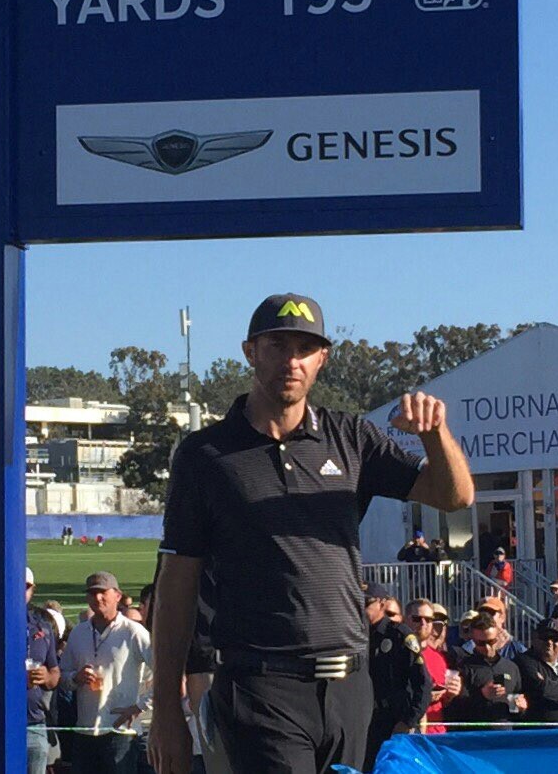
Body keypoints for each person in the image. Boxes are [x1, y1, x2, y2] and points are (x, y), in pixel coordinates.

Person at [148, 293, 473, 774]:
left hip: (350, 687)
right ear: (250, 352)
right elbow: (176, 583)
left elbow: (456, 495)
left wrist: (434, 432)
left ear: (322, 358)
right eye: (277, 346)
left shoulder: (351, 438)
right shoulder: (206, 455)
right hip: (261, 686)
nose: (291, 361)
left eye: (305, 349)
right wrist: (166, 711)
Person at [59, 571, 153, 773]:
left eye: (103, 592)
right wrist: (76, 678)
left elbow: (164, 674)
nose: (98, 597)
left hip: (120, 731)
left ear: (117, 596)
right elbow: (63, 675)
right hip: (85, 730)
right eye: (92, 593)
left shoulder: (133, 632)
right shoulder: (78, 632)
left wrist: (139, 707)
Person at [365, 584, 432, 769]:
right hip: (366, 721)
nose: (361, 609)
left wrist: (408, 721)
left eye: (367, 603)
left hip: (394, 722)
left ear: (381, 604)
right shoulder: (356, 636)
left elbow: (423, 683)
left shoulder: (399, 635)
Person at [455, 613, 527, 726]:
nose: (487, 648)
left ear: (498, 637)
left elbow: (516, 709)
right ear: (473, 640)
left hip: (505, 732)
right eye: (481, 643)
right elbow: (456, 708)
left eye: (491, 641)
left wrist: (520, 707)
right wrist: (482, 695)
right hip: (476, 733)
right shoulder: (464, 667)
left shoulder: (511, 667)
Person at [405, 599, 460, 734]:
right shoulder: (398, 654)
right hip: (407, 731)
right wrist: (425, 697)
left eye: (429, 620)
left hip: (436, 732)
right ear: (406, 620)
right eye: (417, 619)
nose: (423, 623)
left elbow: (443, 702)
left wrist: (451, 694)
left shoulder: (438, 658)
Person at [26, 567, 60, 774]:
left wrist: (47, 677)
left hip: (34, 723)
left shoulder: (42, 627)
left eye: (26, 587)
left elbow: (54, 673)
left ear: (33, 589)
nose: (21, 591)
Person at [475, 597, 526, 661]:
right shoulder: (469, 646)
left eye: (491, 613)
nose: (486, 617)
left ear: (502, 617)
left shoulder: (517, 649)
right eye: (482, 614)